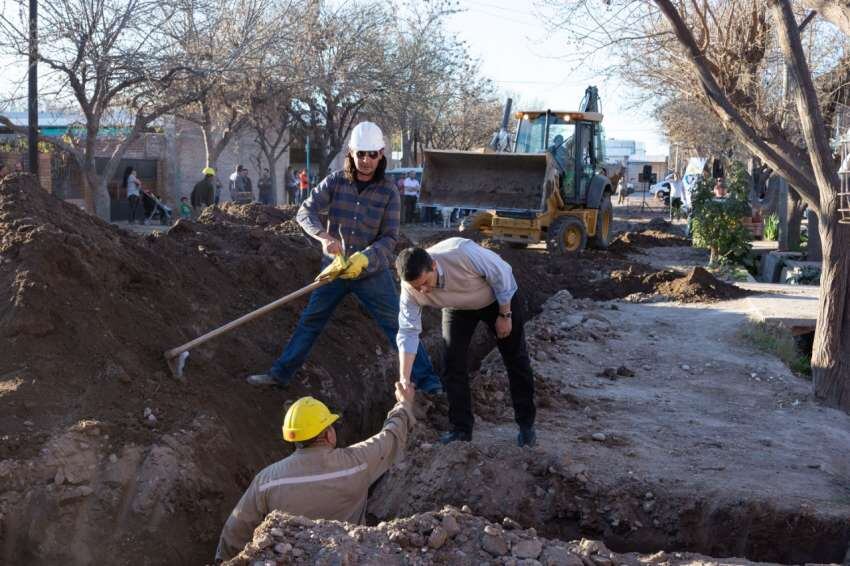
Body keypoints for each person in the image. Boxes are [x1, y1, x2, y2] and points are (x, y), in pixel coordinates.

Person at [247, 121, 442, 394]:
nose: (365, 160)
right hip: (336, 270)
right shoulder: (335, 181)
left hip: (371, 273)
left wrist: (366, 257)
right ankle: (280, 375)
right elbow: (305, 212)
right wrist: (325, 239)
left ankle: (429, 383)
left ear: (382, 153)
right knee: (311, 320)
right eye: (360, 153)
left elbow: (389, 238)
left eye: (372, 154)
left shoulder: (389, 191)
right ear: (350, 152)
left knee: (398, 325)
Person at [214, 380, 415, 561]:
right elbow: (391, 435)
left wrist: (224, 561)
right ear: (328, 435)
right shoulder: (358, 463)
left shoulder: (267, 480)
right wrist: (404, 404)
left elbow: (235, 534)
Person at [395, 238, 536, 447]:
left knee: (515, 359)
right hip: (458, 308)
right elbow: (408, 331)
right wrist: (404, 379)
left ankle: (526, 426)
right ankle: (461, 430)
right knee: (452, 364)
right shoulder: (410, 289)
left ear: (433, 265)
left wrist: (505, 315)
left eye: (426, 282)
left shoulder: (460, 253)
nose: (423, 290)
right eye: (417, 286)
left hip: (496, 299)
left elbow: (502, 273)